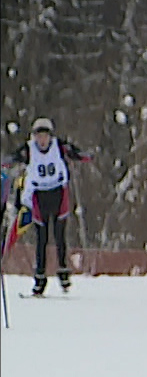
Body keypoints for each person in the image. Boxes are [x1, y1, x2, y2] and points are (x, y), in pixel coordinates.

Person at [8, 117, 94, 295]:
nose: (42, 140)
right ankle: (40, 279)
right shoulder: (29, 150)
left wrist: (86, 156)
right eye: (39, 136)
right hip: (39, 196)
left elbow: (75, 153)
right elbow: (14, 158)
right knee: (42, 239)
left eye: (45, 136)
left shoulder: (59, 147)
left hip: (58, 194)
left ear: (50, 136)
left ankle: (63, 272)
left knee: (60, 235)